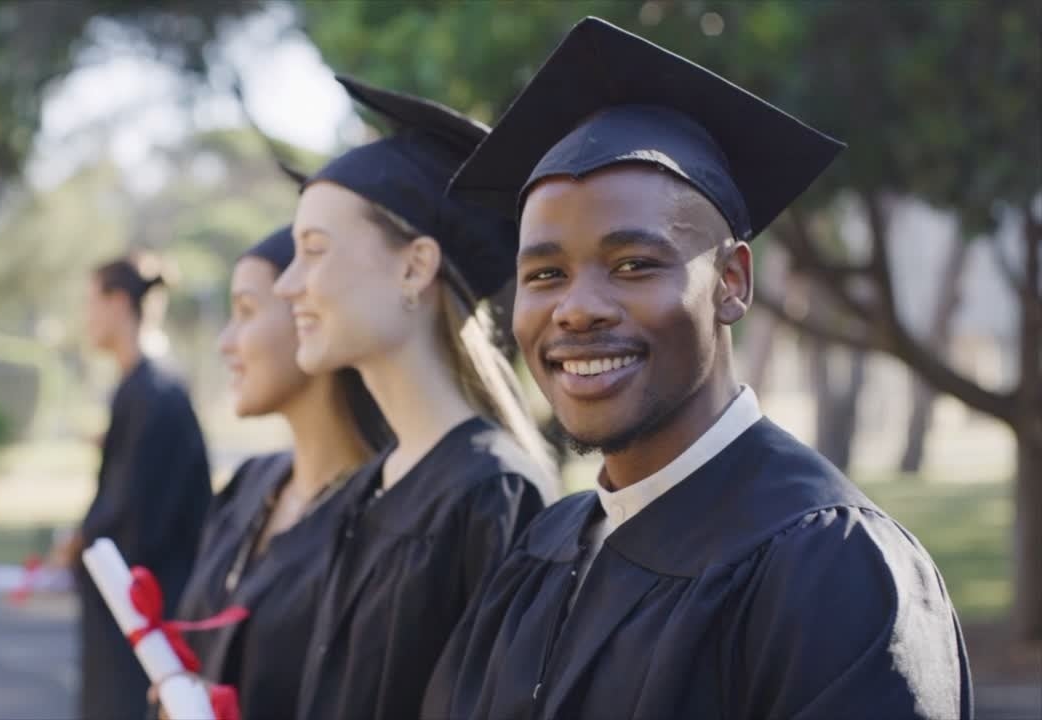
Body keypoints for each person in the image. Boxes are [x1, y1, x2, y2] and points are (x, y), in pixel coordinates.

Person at [422, 17, 973, 720]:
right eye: (546, 273)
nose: (576, 309)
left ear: (733, 282)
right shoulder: (545, 549)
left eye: (633, 265)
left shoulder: (833, 568)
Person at [272, 76, 558, 720]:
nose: (287, 285)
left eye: (313, 252)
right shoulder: (368, 488)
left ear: (414, 266)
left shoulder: (491, 495)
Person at [168, 226, 392, 720]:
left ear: (308, 312)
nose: (226, 342)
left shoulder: (389, 515)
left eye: (244, 312)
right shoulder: (250, 485)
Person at [58, 257, 214, 720]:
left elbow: (138, 515)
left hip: (149, 612)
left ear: (119, 303)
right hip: (129, 617)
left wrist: (83, 540)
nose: (86, 316)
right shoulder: (139, 388)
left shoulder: (157, 393)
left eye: (92, 301)